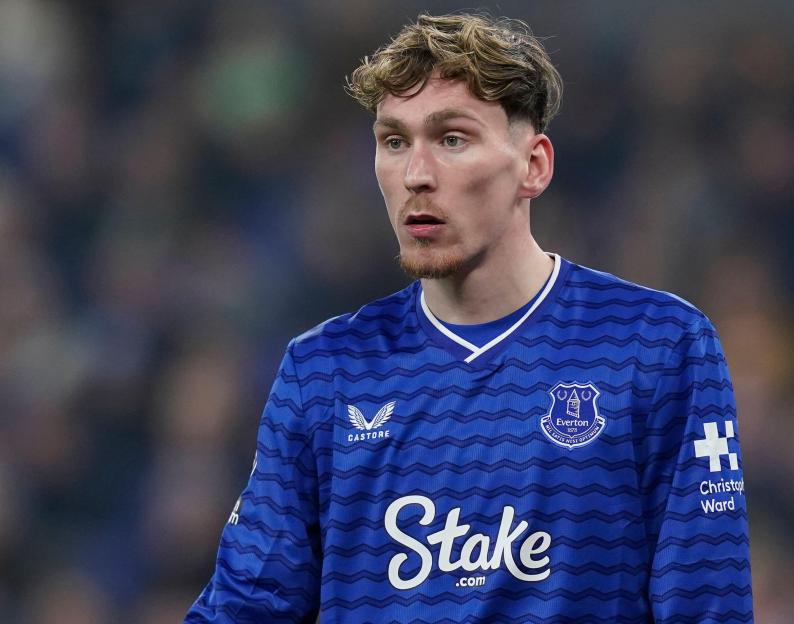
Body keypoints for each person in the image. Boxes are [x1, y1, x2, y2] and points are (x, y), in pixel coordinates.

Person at [185, 13, 752, 623]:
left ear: (533, 166)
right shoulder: (325, 370)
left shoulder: (656, 347)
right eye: (394, 141)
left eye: (452, 138)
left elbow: (706, 605)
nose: (416, 175)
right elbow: (246, 606)